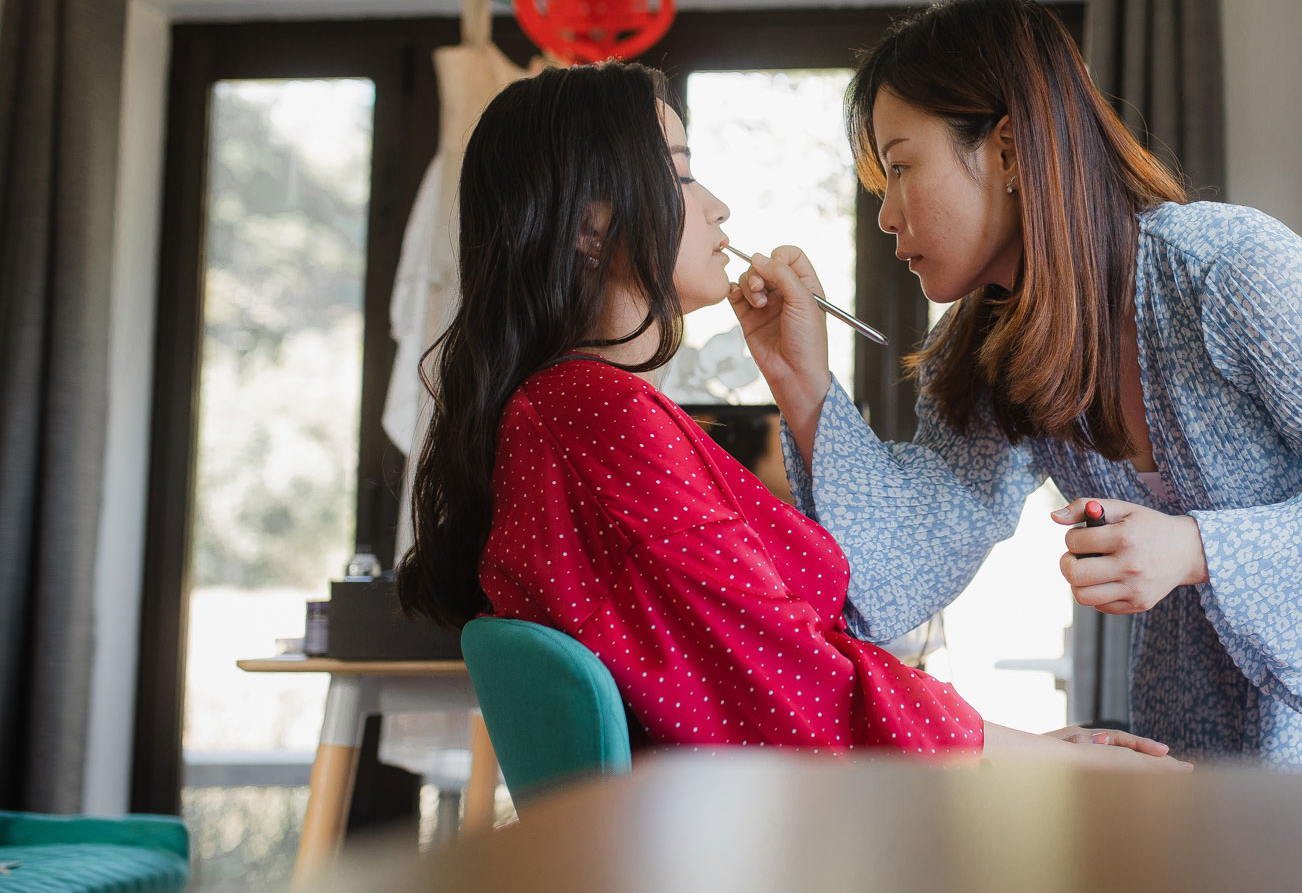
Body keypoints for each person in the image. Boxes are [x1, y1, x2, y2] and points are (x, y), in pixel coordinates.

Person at [731, 0, 1302, 768]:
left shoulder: (1229, 271)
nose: (886, 216)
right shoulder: (980, 352)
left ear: (1007, 150)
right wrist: (802, 382)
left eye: (902, 170)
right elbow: (895, 571)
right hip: (1229, 735)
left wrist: (1195, 547)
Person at [395, 61, 1184, 768]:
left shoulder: (576, 410)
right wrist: (1035, 758)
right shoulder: (597, 417)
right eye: (681, 177)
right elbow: (794, 682)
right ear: (592, 223)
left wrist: (802, 382)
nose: (718, 207)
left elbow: (799, 638)